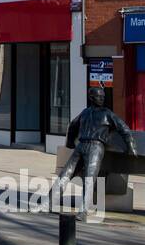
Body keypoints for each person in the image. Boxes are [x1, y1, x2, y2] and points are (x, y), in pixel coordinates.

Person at [52, 87, 137, 217]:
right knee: (66, 173)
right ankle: (48, 202)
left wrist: (130, 146)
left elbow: (124, 128)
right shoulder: (85, 113)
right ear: (92, 97)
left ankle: (84, 210)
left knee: (89, 178)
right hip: (82, 145)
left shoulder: (107, 114)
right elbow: (72, 126)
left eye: (103, 96)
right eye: (99, 96)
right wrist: (69, 143)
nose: (102, 99)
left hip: (96, 147)